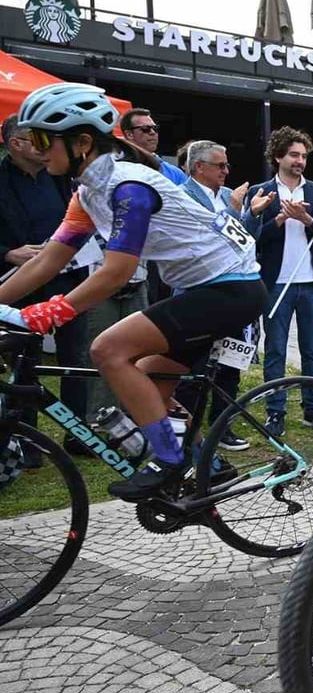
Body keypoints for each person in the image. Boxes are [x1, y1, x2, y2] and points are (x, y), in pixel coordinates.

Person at [0, 83, 265, 499]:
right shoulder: (88, 193)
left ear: (82, 143)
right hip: (206, 289)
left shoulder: (129, 188)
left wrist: (52, 312)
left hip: (231, 288)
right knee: (146, 383)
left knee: (108, 349)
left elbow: (117, 272)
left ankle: (168, 461)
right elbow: (48, 259)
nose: (37, 149)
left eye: (41, 140)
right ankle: (208, 467)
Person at [0, 111, 93, 459]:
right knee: (24, 360)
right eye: (37, 139)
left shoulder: (58, 177)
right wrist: (9, 253)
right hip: (18, 283)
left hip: (68, 279)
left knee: (76, 357)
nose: (45, 146)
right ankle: (26, 440)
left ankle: (77, 433)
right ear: (15, 143)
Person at [243, 126, 313, 436]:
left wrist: (307, 219)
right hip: (275, 283)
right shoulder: (261, 191)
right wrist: (282, 218)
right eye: (294, 155)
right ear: (278, 156)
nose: (300, 161)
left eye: (304, 156)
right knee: (276, 350)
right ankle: (275, 412)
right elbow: (252, 240)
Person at [174, 140, 252, 451]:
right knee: (194, 370)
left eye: (227, 165)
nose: (226, 170)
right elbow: (201, 243)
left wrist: (247, 214)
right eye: (220, 165)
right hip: (201, 295)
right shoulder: (182, 198)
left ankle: (222, 428)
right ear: (198, 167)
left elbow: (241, 240)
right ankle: (187, 436)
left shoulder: (225, 196)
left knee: (230, 366)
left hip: (233, 293)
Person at [119, 108, 185, 185]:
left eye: (155, 128)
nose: (152, 132)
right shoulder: (115, 167)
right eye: (145, 129)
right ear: (129, 134)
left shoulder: (175, 173)